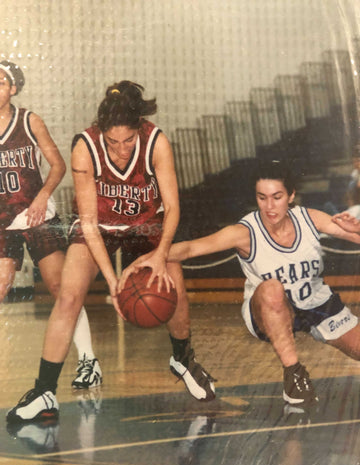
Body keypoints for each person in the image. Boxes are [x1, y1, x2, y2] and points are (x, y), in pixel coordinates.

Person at [6, 80, 215, 424]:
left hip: (144, 224)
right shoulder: (85, 146)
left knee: (171, 277)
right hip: (99, 226)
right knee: (68, 296)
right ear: (101, 131)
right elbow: (87, 222)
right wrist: (113, 281)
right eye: (112, 141)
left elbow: (173, 208)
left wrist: (161, 255)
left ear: (140, 129)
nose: (120, 150)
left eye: (128, 140)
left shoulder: (156, 142)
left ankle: (182, 358)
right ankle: (44, 391)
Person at [121, 159, 360, 405]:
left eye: (277, 197)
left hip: (316, 304)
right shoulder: (245, 232)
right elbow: (191, 248)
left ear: (291, 195)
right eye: (262, 197)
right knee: (272, 289)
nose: (269, 206)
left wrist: (357, 227)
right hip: (269, 309)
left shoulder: (310, 218)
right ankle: (294, 376)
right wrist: (146, 259)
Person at [0, 60, 102, 391]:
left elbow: (58, 164)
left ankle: (88, 360)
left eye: (1, 82)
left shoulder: (29, 121)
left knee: (62, 289)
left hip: (35, 213)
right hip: (2, 219)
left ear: (13, 89)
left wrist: (43, 196)